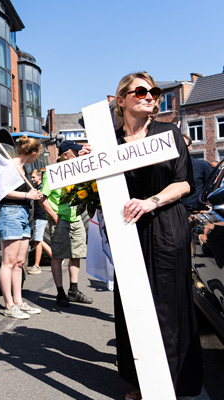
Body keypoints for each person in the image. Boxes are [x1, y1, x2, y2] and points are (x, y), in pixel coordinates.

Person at [111, 72, 203, 399]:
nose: (150, 96)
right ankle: (143, 381)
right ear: (121, 100)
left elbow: (183, 183)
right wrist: (88, 165)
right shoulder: (109, 141)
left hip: (165, 225)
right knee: (133, 305)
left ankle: (169, 385)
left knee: (165, 305)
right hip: (128, 232)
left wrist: (151, 202)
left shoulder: (168, 133)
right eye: (141, 91)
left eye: (154, 91)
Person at [39, 141, 93, 308]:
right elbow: (43, 198)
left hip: (76, 218)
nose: (77, 155)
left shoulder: (75, 170)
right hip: (60, 219)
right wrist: (55, 217)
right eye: (74, 152)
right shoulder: (51, 173)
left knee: (76, 255)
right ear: (65, 155)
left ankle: (74, 290)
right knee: (58, 256)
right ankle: (60, 293)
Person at [0, 136, 44, 319]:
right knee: (9, 262)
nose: (35, 160)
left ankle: (18, 301)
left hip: (23, 214)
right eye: (35, 156)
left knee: (19, 262)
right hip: (11, 213)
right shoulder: (9, 166)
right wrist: (27, 196)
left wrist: (30, 195)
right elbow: (3, 192)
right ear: (32, 154)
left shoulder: (24, 168)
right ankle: (9, 305)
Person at [180, 134, 213, 214]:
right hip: (175, 215)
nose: (179, 149)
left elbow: (211, 189)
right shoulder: (169, 168)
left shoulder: (202, 166)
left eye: (182, 145)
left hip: (195, 213)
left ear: (190, 147)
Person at [28, 169, 51, 275]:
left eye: (34, 177)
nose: (32, 179)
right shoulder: (36, 188)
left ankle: (36, 266)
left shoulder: (42, 188)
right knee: (39, 240)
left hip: (41, 216)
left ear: (39, 176)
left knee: (37, 241)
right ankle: (54, 257)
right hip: (37, 216)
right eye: (31, 178)